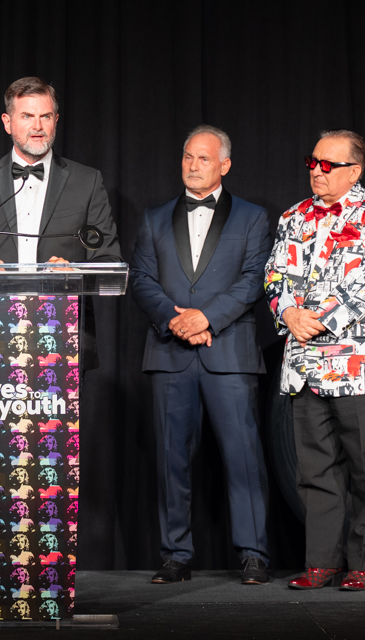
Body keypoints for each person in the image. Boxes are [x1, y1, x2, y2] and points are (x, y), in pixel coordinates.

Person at [0, 76, 121, 615]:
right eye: (26, 116)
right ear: (7, 122)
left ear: (56, 120)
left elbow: (109, 255)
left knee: (51, 466)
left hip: (58, 348)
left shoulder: (86, 181)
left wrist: (77, 269)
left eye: (45, 116)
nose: (36, 126)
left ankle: (52, 580)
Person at [130, 125, 272, 585]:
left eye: (203, 159)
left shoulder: (252, 217)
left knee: (243, 456)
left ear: (224, 165)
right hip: (170, 352)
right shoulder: (153, 217)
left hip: (228, 352)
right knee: (172, 459)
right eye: (188, 157)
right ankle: (175, 554)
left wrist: (205, 318)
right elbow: (142, 280)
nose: (192, 165)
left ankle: (253, 554)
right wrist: (176, 319)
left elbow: (253, 280)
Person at [265, 130, 365, 591]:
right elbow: (274, 274)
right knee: (315, 470)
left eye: (329, 164)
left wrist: (317, 320)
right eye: (313, 162)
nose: (317, 171)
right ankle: (321, 561)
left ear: (354, 171)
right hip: (304, 364)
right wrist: (287, 312)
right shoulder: (293, 216)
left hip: (360, 361)